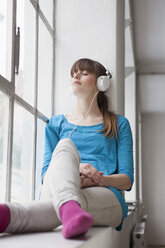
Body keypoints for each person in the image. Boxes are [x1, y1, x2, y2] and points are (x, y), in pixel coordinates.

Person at [0, 58, 134, 239]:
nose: (76, 75)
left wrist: (97, 180)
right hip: (61, 186)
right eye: (74, 73)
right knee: (65, 145)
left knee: (70, 202)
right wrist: (76, 168)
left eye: (84, 73)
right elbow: (47, 176)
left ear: (102, 83)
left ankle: (8, 214)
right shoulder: (55, 124)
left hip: (104, 194)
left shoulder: (119, 124)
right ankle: (70, 209)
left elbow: (126, 181)